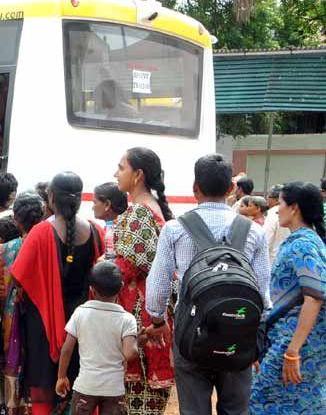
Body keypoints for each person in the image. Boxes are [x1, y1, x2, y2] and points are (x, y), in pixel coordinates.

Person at [145, 154, 270, 415]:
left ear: (195, 188)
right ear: (230, 190)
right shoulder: (254, 232)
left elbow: (157, 287)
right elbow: (262, 294)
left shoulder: (175, 229)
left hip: (191, 333)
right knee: (236, 410)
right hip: (238, 331)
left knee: (193, 410)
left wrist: (158, 321)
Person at [11, 172, 103, 415]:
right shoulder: (94, 232)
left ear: (50, 198)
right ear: (79, 199)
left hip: (44, 322)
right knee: (80, 380)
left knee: (44, 383)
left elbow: (17, 275)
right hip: (83, 321)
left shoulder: (41, 232)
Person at [249, 182, 325, 414]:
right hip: (298, 337)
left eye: (280, 203)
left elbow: (314, 296)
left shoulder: (302, 244)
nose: (276, 209)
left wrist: (293, 351)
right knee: (300, 400)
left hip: (294, 339)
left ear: (294, 208)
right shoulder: (308, 240)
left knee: (263, 399)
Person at [111, 147, 175, 413]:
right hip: (155, 311)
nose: (116, 173)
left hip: (140, 315)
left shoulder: (138, 212)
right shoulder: (154, 207)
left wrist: (99, 272)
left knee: (138, 401)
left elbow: (126, 268)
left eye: (121, 167)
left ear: (138, 175)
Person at [55, 262, 139, 415]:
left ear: (91, 290)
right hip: (113, 389)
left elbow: (67, 348)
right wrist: (138, 340)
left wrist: (61, 376)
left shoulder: (81, 313)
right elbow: (130, 353)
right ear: (121, 287)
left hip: (86, 386)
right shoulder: (127, 319)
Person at [0, 192, 44, 412]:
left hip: (12, 314)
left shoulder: (2, 251)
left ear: (15, 219)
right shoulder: (49, 246)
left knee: (12, 360)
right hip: (40, 313)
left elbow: (1, 292)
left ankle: (12, 406)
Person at [92, 182, 128, 260]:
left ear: (107, 204)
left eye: (95, 202)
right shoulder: (111, 227)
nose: (93, 208)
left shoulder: (119, 230)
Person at [264, 184, 291, 260]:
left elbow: (266, 241)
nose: (267, 200)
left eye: (268, 197)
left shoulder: (271, 213)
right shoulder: (292, 213)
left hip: (272, 261)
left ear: (277, 199)